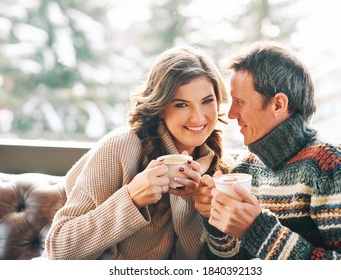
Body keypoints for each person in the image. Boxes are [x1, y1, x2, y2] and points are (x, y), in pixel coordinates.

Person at [193, 40, 341, 260]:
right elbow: (225, 265)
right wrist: (215, 218)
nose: (231, 114)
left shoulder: (335, 166)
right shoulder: (246, 167)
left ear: (278, 104)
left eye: (240, 102)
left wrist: (256, 230)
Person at [44, 46, 230, 260]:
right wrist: (132, 198)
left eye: (207, 101)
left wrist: (208, 215)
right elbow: (58, 249)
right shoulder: (122, 148)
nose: (198, 118)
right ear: (160, 107)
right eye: (181, 105)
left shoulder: (219, 169)